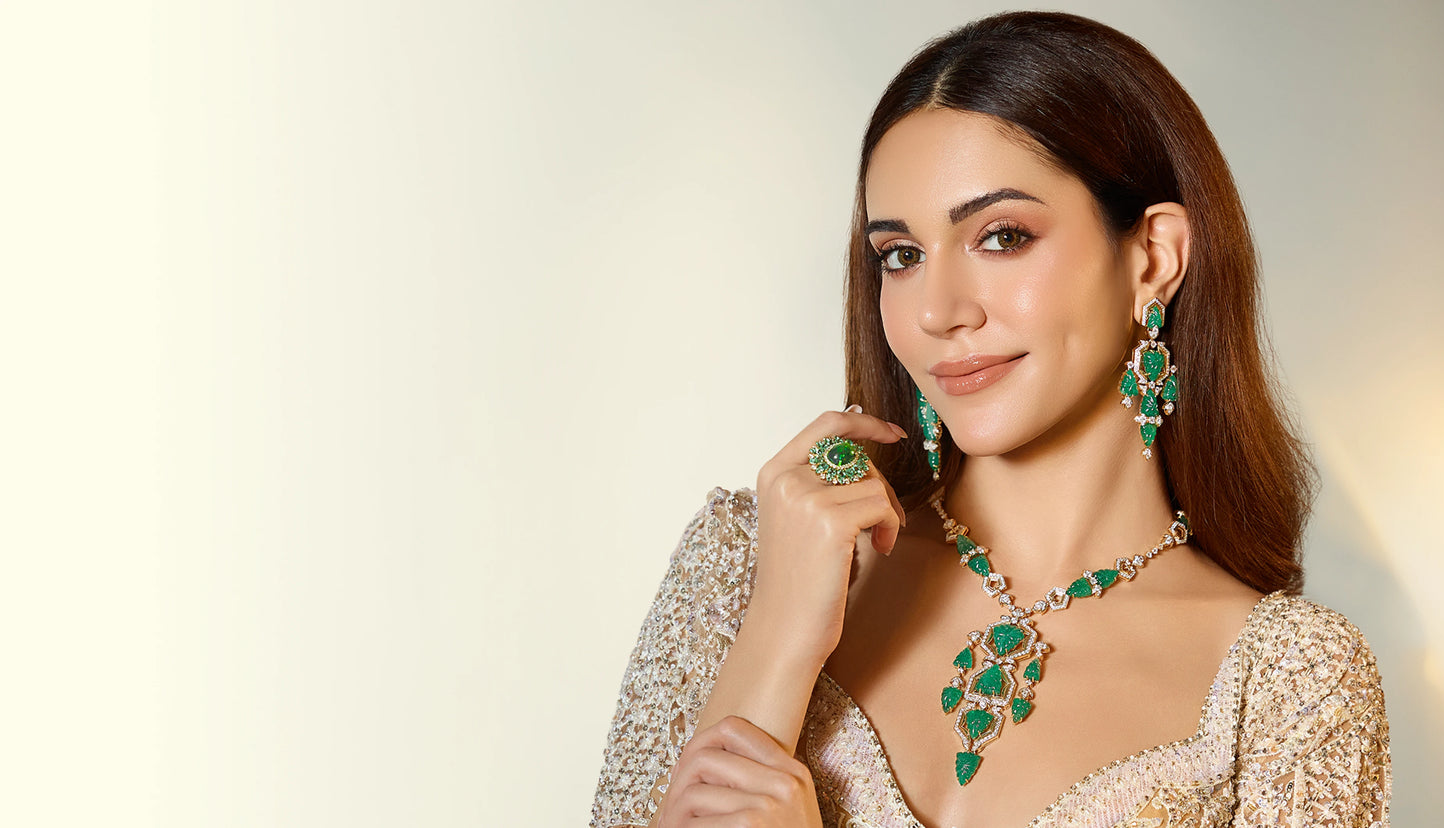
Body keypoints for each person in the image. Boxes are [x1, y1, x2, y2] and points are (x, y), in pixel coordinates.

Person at [590, 11, 1391, 828]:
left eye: (1002, 237)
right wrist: (778, 634)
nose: (937, 311)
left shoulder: (1287, 685)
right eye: (900, 255)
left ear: (1154, 256)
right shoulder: (747, 569)